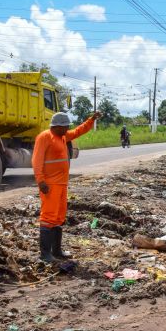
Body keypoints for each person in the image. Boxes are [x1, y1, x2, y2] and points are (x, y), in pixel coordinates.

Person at [32, 111, 101, 262]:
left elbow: (78, 131)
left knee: (58, 217)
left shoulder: (62, 136)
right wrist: (40, 181)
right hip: (50, 185)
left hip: (62, 184)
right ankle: (45, 254)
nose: (67, 129)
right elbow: (36, 160)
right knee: (48, 217)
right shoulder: (45, 137)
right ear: (56, 126)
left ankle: (56, 251)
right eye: (65, 127)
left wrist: (91, 120)